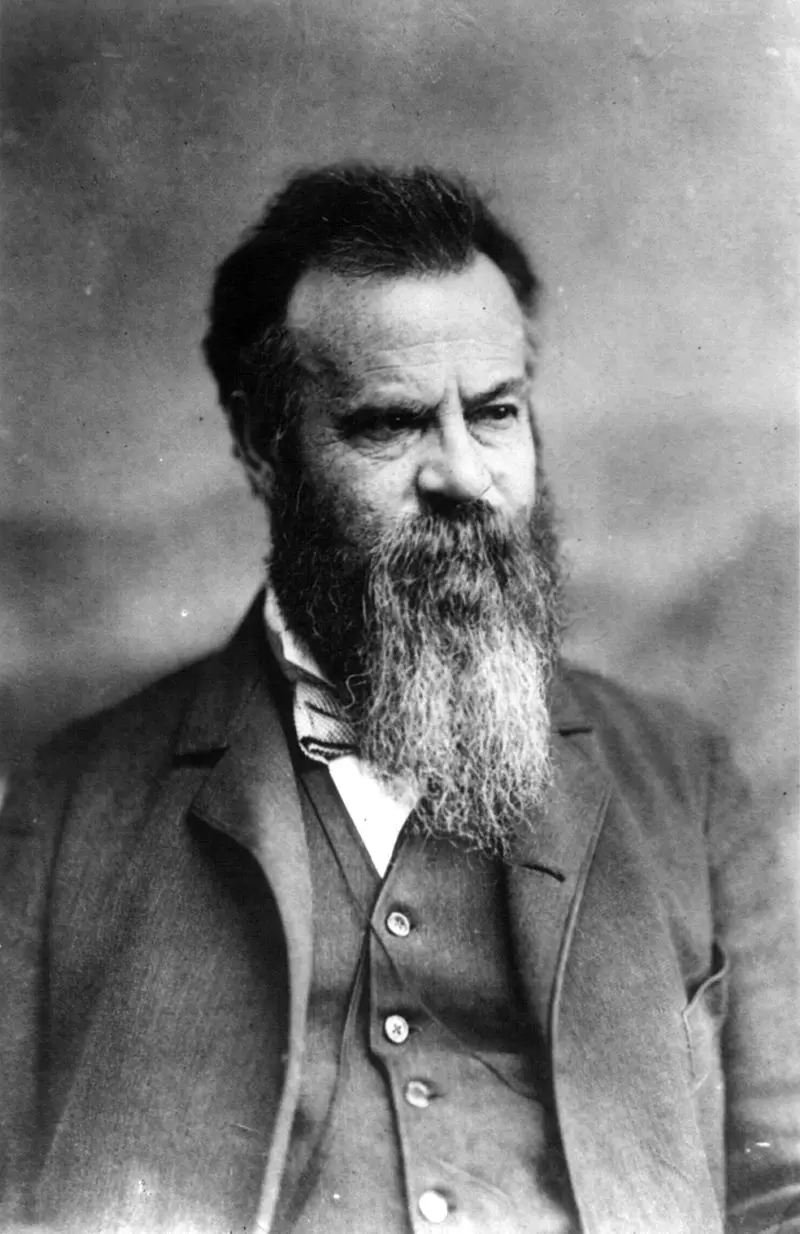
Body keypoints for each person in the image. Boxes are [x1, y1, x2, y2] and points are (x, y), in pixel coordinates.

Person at [0, 164, 797, 1234]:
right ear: (263, 444)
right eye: (390, 424)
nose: (462, 475)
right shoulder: (67, 811)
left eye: (495, 411)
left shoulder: (684, 784)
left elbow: (784, 1188)